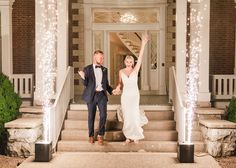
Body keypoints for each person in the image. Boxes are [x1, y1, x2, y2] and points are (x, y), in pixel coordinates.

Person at [113, 32, 149, 144]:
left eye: (131, 62)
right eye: (127, 61)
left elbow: (141, 56)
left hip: (134, 95)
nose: (129, 63)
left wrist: (143, 43)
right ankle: (128, 136)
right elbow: (120, 83)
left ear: (133, 63)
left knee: (133, 114)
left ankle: (136, 136)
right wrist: (117, 88)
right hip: (125, 96)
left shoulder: (135, 70)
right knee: (127, 115)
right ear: (125, 62)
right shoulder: (121, 71)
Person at [78, 50, 115, 145]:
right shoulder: (87, 69)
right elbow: (86, 84)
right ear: (95, 57)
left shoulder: (105, 69)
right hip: (91, 95)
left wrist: (112, 91)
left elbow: (106, 84)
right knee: (91, 116)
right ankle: (91, 135)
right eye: (100, 57)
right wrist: (83, 77)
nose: (102, 59)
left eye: (103, 57)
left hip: (102, 95)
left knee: (103, 115)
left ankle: (100, 135)